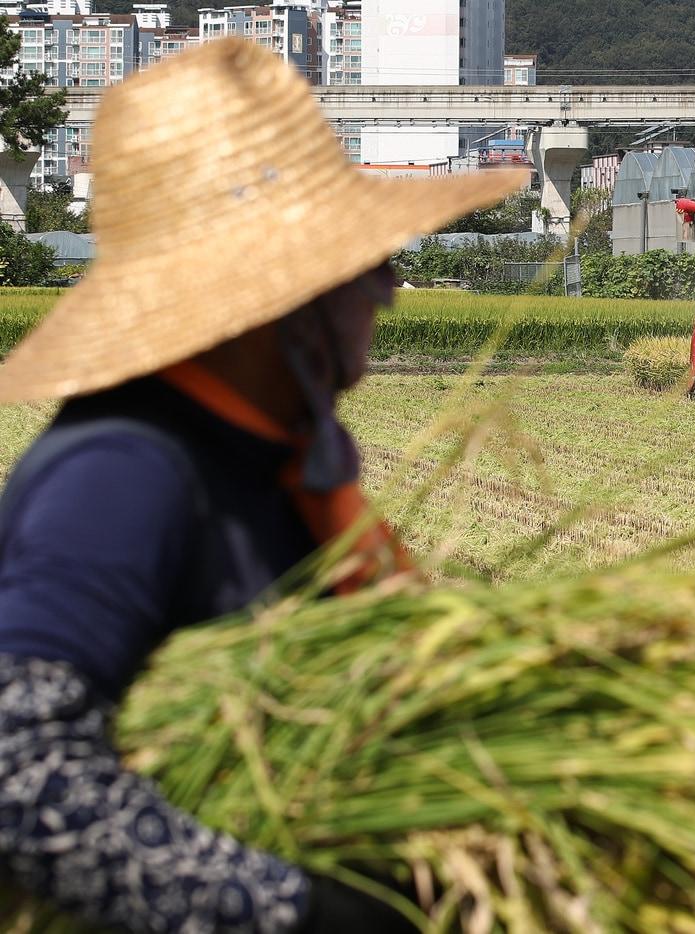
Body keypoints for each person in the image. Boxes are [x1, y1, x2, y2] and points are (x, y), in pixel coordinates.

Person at [0, 39, 525, 934]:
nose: (393, 287)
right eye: (366, 261)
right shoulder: (127, 472)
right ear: (282, 299)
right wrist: (293, 913)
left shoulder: (269, 462)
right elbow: (19, 767)